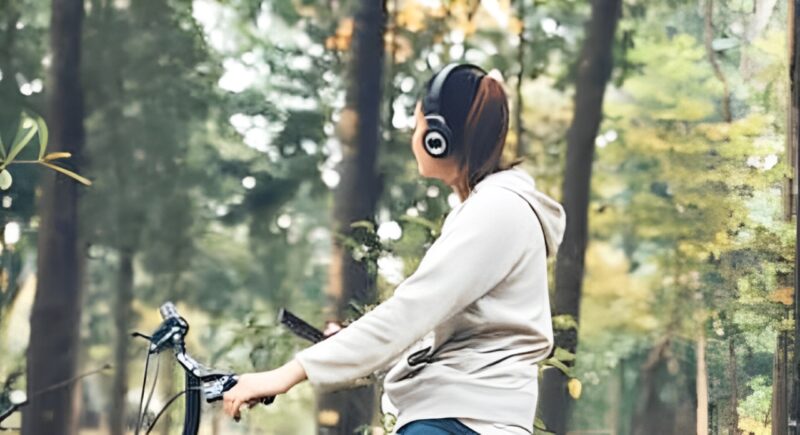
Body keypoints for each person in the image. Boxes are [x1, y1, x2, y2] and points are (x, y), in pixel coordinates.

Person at [222, 63, 567, 435]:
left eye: (418, 125)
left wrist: (284, 375)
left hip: (460, 422)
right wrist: (349, 349)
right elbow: (443, 329)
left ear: (439, 138)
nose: (413, 136)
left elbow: (409, 312)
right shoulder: (489, 210)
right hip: (461, 417)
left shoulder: (496, 211)